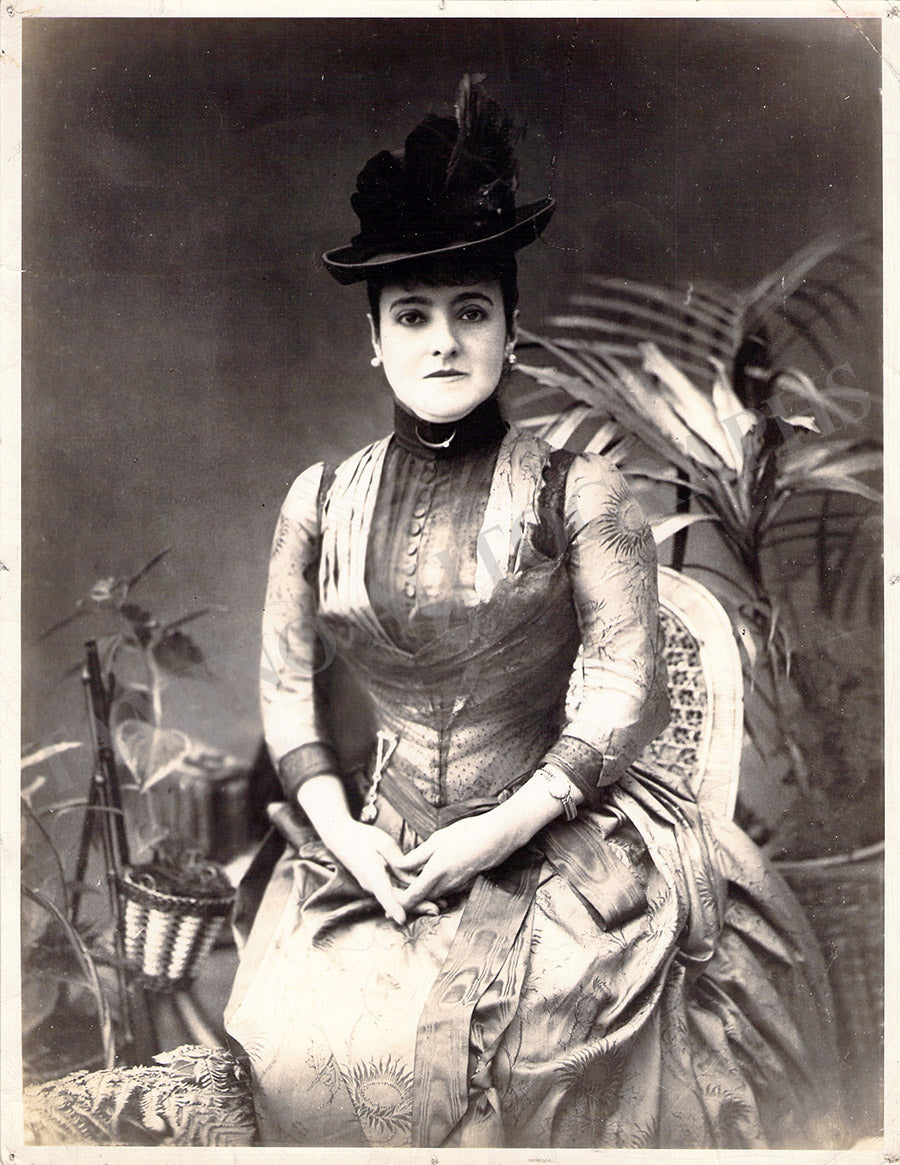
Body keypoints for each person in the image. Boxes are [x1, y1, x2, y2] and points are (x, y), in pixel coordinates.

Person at [223, 76, 844, 1150]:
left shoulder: (577, 489)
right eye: (412, 316)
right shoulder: (318, 499)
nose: (443, 341)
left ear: (511, 332)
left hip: (558, 833)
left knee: (541, 1050)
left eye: (472, 311)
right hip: (380, 847)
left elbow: (619, 696)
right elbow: (286, 696)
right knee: (309, 1046)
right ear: (374, 338)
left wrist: (494, 832)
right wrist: (347, 838)